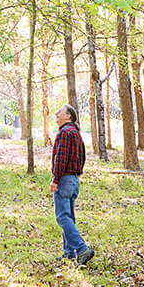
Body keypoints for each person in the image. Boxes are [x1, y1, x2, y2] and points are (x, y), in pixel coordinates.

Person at [51, 103, 95, 265]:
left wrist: (56, 179)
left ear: (68, 116)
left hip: (64, 179)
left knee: (62, 216)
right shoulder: (76, 133)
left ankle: (82, 249)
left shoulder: (64, 133)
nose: (56, 114)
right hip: (74, 180)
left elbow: (60, 159)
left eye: (60, 112)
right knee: (69, 217)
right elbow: (83, 157)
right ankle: (68, 254)